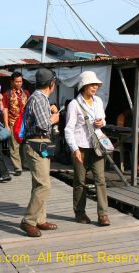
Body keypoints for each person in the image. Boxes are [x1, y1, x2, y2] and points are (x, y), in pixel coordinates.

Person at [64, 71, 110, 226]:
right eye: (92, 84)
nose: (95, 87)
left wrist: (100, 123)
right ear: (83, 86)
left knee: (101, 179)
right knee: (80, 181)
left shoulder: (98, 101)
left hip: (97, 146)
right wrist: (74, 149)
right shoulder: (74, 104)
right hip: (80, 147)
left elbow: (103, 118)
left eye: (96, 84)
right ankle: (80, 212)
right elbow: (68, 129)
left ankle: (103, 214)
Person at [20, 68, 60, 237]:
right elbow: (44, 125)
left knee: (39, 184)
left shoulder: (39, 98)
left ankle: (40, 219)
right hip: (36, 143)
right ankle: (28, 220)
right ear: (52, 84)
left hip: (39, 143)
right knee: (44, 185)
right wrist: (55, 116)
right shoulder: (39, 98)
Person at [2, 72, 30, 176]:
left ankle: (25, 163)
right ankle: (17, 168)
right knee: (14, 146)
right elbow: (5, 109)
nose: (19, 83)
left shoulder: (26, 93)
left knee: (25, 145)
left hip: (25, 123)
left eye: (20, 81)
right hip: (13, 122)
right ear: (12, 82)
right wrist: (6, 125)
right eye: (17, 81)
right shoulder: (7, 94)